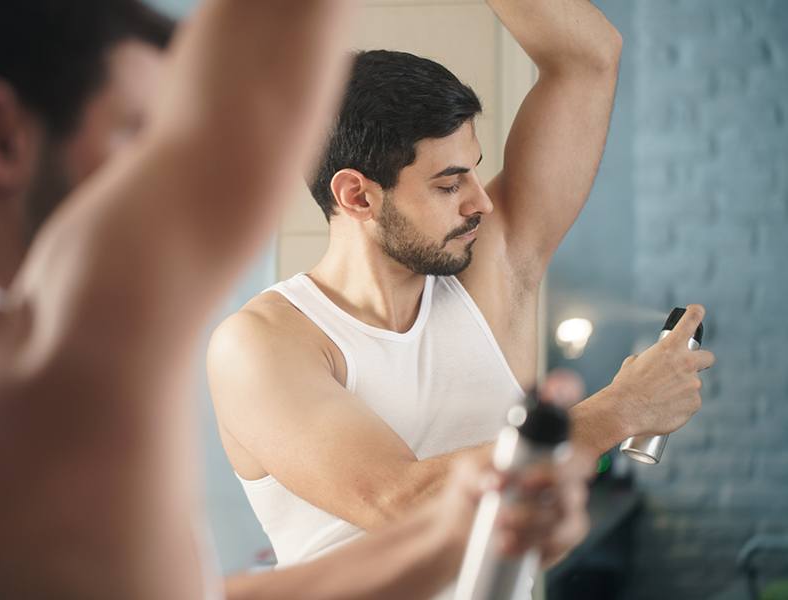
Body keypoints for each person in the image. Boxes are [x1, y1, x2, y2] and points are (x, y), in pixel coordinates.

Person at [0, 0, 590, 598]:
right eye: (136, 135)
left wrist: (459, 528)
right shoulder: (26, 382)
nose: (150, 173)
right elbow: (259, 88)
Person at [208, 0, 716, 578]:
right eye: (450, 185)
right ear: (357, 196)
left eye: (474, 169)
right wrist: (620, 409)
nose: (482, 201)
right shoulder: (262, 343)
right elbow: (401, 502)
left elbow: (589, 58)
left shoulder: (493, 269)